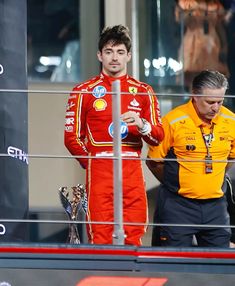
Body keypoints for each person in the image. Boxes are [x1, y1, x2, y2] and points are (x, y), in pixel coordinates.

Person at [64, 25, 164, 246]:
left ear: (128, 55)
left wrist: (142, 124)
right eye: (108, 52)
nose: (114, 58)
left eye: (120, 52)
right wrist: (92, 162)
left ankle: (131, 280)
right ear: (100, 55)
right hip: (99, 170)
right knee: (100, 236)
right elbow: (71, 137)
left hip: (132, 168)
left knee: (134, 233)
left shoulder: (144, 91)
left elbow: (158, 137)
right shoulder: (83, 91)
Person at [146, 70, 235, 247]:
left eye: (220, 101)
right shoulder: (173, 121)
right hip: (178, 206)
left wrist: (211, 181)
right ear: (194, 95)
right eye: (210, 102)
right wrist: (176, 184)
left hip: (216, 207)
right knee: (174, 264)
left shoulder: (230, 120)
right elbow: (154, 162)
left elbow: (230, 158)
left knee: (219, 265)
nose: (215, 108)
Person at [175, 0, 229, 89]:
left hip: (211, 42)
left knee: (212, 76)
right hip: (193, 41)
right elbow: (181, 21)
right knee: (192, 75)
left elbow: (219, 27)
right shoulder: (185, 3)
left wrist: (224, 46)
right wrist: (192, 10)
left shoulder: (215, 5)